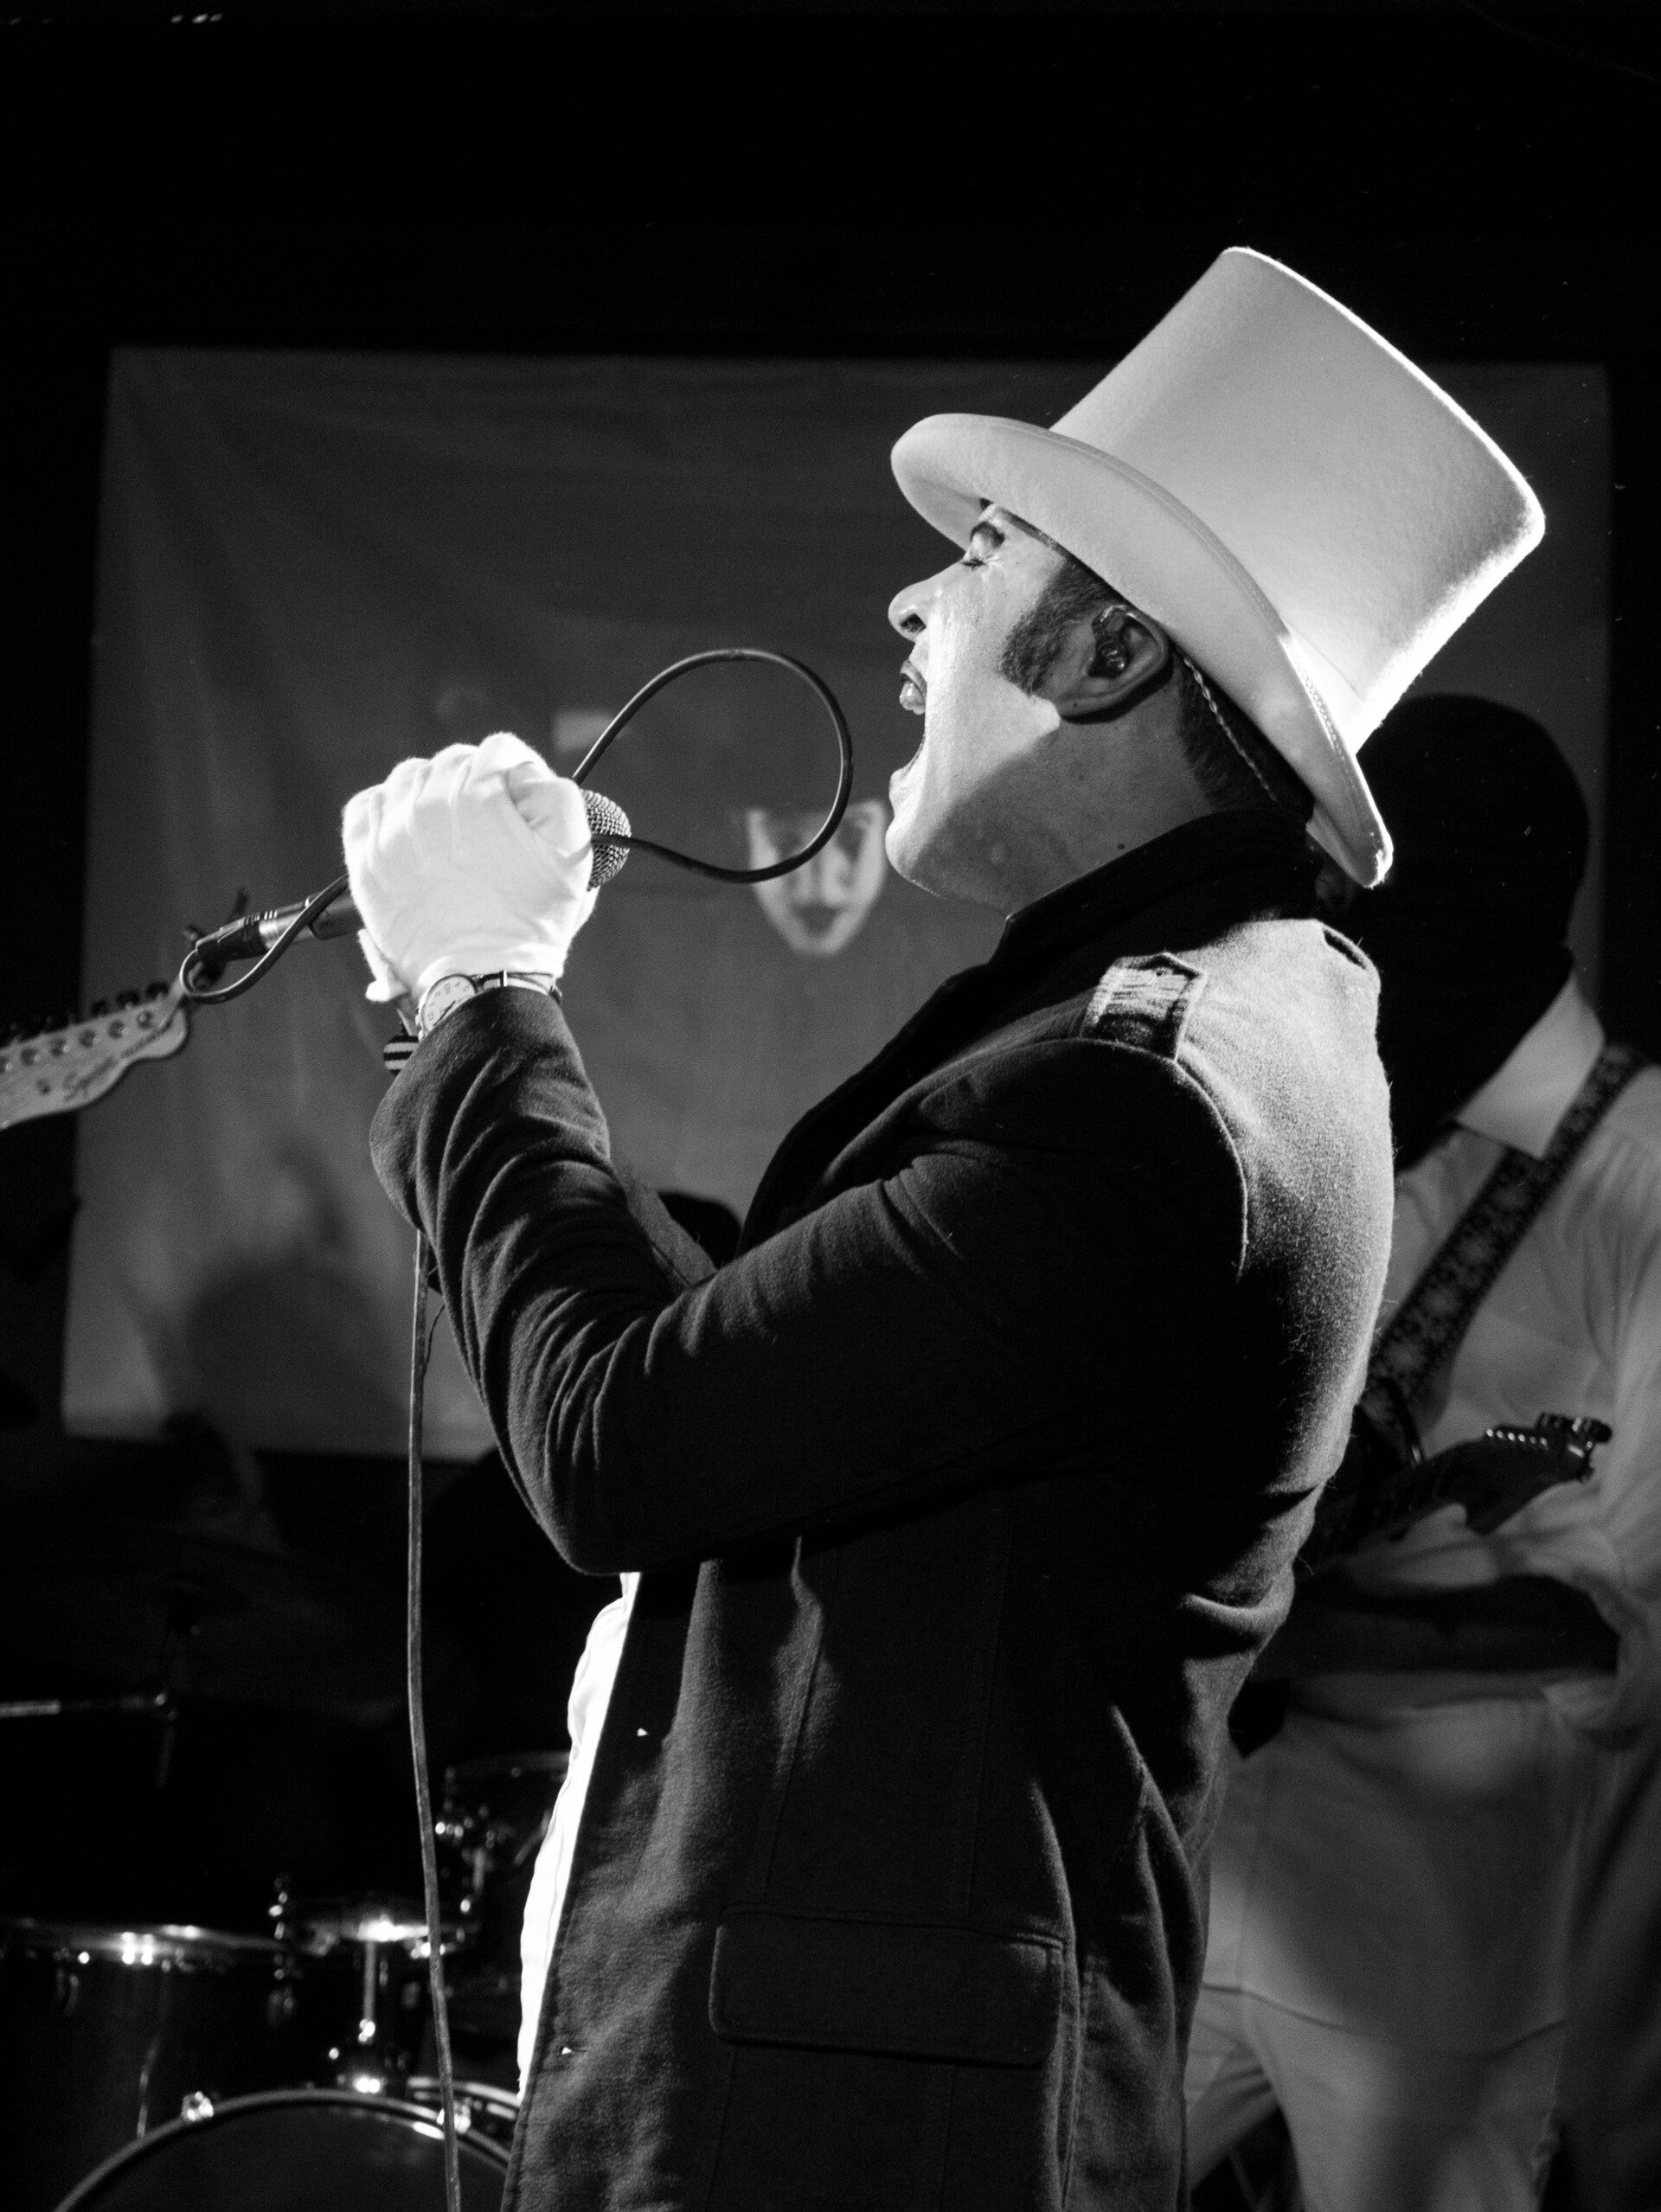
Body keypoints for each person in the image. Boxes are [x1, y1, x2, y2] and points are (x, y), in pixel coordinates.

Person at [343, 251, 1542, 2210]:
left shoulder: (1149, 1092)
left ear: (1110, 653)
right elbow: (759, 1408)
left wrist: (482, 989)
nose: (911, 602)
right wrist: (479, 1010)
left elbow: (623, 1436)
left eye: (980, 556)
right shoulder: (1186, 1027)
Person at [1184, 697, 1661, 2212]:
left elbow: (1634, 1627)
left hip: (1444, 1928)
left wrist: (1284, 1620)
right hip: (1212, 1859)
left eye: (1370, 895)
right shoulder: (1360, 1104)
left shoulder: (1646, 1177)